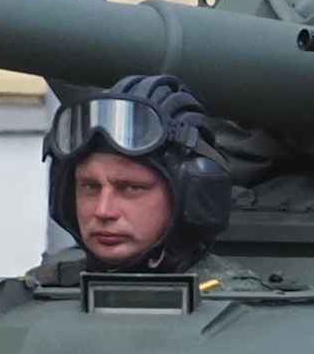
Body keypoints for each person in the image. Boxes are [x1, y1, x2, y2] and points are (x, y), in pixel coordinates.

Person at [48, 75, 233, 277]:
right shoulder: (40, 290)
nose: (103, 211)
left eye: (131, 188)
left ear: (189, 196)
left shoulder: (238, 300)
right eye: (90, 186)